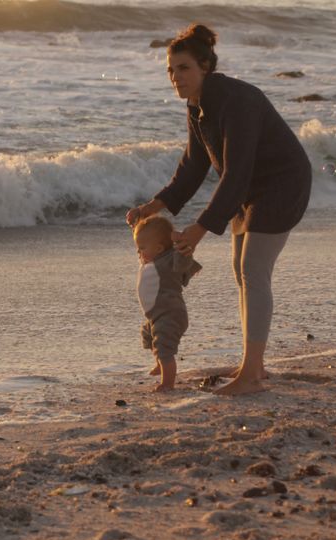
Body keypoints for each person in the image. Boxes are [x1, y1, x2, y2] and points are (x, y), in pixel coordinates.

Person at [126, 23, 311, 396]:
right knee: (242, 273)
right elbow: (193, 168)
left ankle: (252, 375)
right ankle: (253, 365)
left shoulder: (234, 101)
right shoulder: (197, 107)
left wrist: (200, 228)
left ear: (205, 67)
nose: (175, 77)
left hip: (281, 182)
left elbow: (237, 172)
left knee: (252, 270)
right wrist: (154, 204)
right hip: (250, 190)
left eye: (184, 68)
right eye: (171, 70)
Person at [133, 216, 201, 393]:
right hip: (156, 315)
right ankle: (159, 365)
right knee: (148, 335)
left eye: (141, 248)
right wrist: (137, 221)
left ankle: (168, 382)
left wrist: (182, 247)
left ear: (159, 248)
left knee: (164, 347)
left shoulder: (169, 261)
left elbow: (182, 261)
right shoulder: (151, 260)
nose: (138, 252)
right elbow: (146, 237)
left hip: (170, 313)